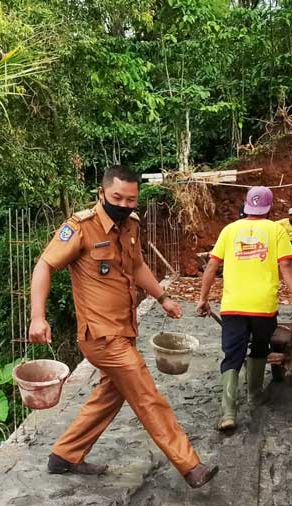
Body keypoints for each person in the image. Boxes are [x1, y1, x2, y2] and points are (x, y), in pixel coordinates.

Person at [29, 165, 218, 489]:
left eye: (131, 200)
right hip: (100, 336)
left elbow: (138, 266)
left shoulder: (130, 225)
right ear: (102, 193)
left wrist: (163, 297)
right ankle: (190, 466)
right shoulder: (81, 227)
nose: (125, 204)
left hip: (124, 330)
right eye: (118, 197)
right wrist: (37, 316)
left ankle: (65, 455)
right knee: (147, 394)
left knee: (110, 394)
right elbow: (44, 264)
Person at [196, 186, 292, 431]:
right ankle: (254, 395)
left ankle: (228, 412)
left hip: (233, 306)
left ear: (246, 205)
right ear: (269, 208)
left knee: (232, 354)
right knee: (259, 348)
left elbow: (212, 267)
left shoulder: (229, 230)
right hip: (263, 307)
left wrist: (203, 298)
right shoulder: (276, 230)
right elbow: (286, 267)